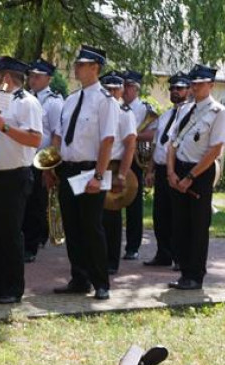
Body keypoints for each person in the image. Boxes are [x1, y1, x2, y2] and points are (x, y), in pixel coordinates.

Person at [48, 45, 118, 300]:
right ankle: (79, 278)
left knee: (92, 227)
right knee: (72, 226)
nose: (76, 67)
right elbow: (59, 136)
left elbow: (107, 141)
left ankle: (101, 282)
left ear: (95, 68)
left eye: (82, 64)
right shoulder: (70, 99)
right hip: (67, 170)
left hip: (90, 171)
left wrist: (99, 176)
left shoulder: (105, 101)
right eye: (77, 63)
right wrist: (51, 166)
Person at [0, 57, 43, 304]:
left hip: (14, 177)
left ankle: (13, 289)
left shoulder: (28, 103)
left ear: (6, 76)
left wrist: (4, 127)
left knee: (10, 234)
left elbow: (35, 140)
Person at [165, 64, 225, 290]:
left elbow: (215, 149)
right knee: (180, 225)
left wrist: (190, 177)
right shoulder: (184, 110)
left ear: (211, 85)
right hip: (179, 169)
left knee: (197, 226)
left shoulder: (218, 112)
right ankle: (184, 272)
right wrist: (171, 172)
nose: (195, 87)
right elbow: (172, 143)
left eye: (200, 83)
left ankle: (195, 275)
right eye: (193, 83)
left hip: (200, 173)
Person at [144, 72, 190, 268]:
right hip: (161, 169)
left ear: (189, 90)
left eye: (179, 88)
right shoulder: (165, 116)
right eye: (172, 88)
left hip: (178, 169)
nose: (175, 92)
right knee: (160, 214)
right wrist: (150, 170)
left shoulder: (190, 114)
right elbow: (157, 144)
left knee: (178, 215)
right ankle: (163, 254)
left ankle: (180, 257)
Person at [22, 59, 64, 262]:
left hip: (41, 159)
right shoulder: (24, 99)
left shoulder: (54, 102)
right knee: (24, 202)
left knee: (36, 203)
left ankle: (31, 246)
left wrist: (50, 165)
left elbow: (57, 135)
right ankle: (27, 240)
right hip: (23, 157)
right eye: (31, 75)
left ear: (48, 78)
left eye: (38, 76)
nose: (33, 79)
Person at [100, 72, 137, 274]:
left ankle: (111, 262)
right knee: (94, 215)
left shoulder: (125, 113)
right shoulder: (100, 109)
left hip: (113, 167)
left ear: (122, 90)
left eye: (115, 88)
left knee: (111, 216)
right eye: (108, 89)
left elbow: (130, 145)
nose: (112, 92)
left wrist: (122, 175)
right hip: (97, 165)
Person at [120, 70, 155, 260]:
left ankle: (132, 247)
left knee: (134, 204)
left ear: (135, 88)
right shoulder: (115, 106)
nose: (124, 90)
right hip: (117, 158)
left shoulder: (144, 109)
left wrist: (132, 136)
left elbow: (154, 134)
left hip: (135, 160)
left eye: (128, 87)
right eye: (123, 86)